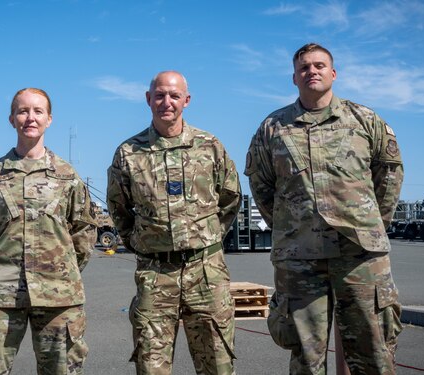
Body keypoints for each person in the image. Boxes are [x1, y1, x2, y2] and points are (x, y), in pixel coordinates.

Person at [245, 43, 404, 374]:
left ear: (333, 73)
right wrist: (290, 227)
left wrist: (371, 223)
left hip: (359, 254)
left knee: (373, 349)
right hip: (300, 257)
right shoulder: (273, 128)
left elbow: (388, 176)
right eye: (304, 67)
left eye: (319, 65)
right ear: (294, 77)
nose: (311, 71)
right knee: (306, 354)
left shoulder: (365, 120)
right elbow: (261, 184)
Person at [107, 71, 241, 375]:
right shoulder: (129, 153)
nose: (166, 102)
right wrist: (146, 243)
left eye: (174, 95)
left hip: (206, 274)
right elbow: (118, 208)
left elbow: (230, 198)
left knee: (217, 364)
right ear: (148, 99)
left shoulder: (210, 146)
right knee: (151, 366)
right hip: (156, 274)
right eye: (159, 95)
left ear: (187, 100)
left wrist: (207, 238)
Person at [0, 88, 97, 375]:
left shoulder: (67, 176)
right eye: (22, 111)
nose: (30, 118)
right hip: (1, 296)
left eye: (37, 111)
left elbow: (84, 230)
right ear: (12, 119)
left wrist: (63, 268)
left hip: (59, 296)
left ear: (49, 119)